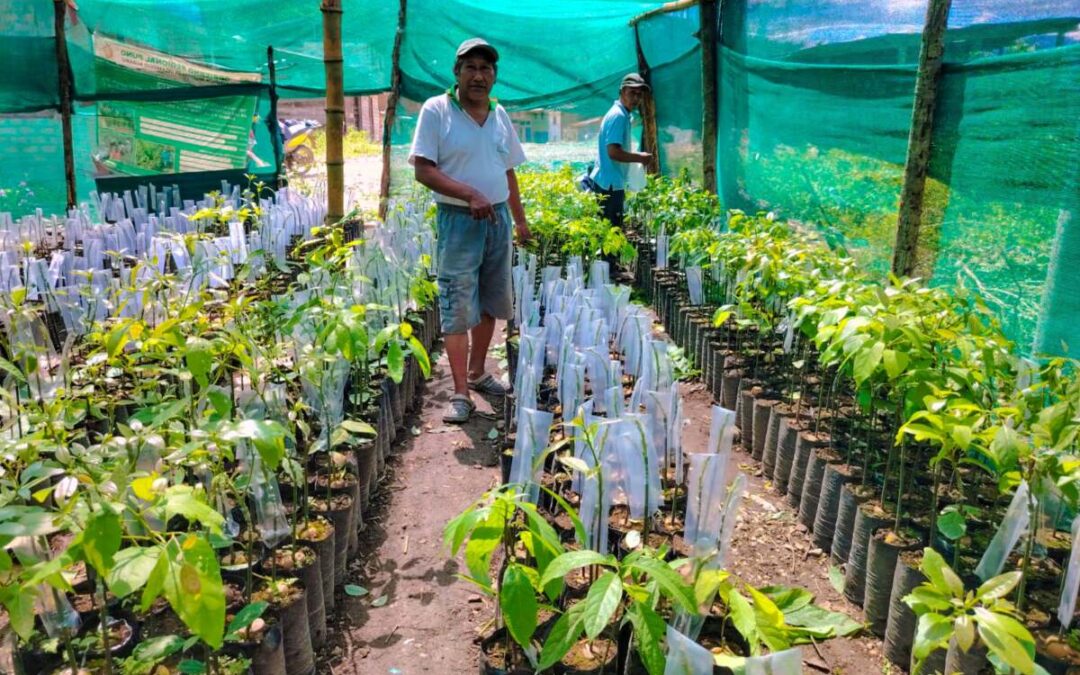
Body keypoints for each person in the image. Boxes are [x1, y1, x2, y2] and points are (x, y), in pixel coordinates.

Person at [410, 37, 531, 424]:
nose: (479, 76)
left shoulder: (499, 114)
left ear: (494, 76)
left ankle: (478, 373)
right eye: (471, 68)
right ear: (457, 73)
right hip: (459, 220)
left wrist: (520, 220)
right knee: (458, 305)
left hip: (497, 219)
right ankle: (460, 392)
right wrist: (469, 194)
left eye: (486, 69)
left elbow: (508, 171)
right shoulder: (437, 110)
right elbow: (423, 169)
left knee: (492, 301)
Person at [584, 73, 653, 229]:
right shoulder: (618, 116)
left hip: (608, 181)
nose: (636, 98)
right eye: (632, 93)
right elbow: (613, 152)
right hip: (610, 184)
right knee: (612, 232)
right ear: (622, 92)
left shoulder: (622, 114)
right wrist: (640, 157)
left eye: (639, 94)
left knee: (608, 230)